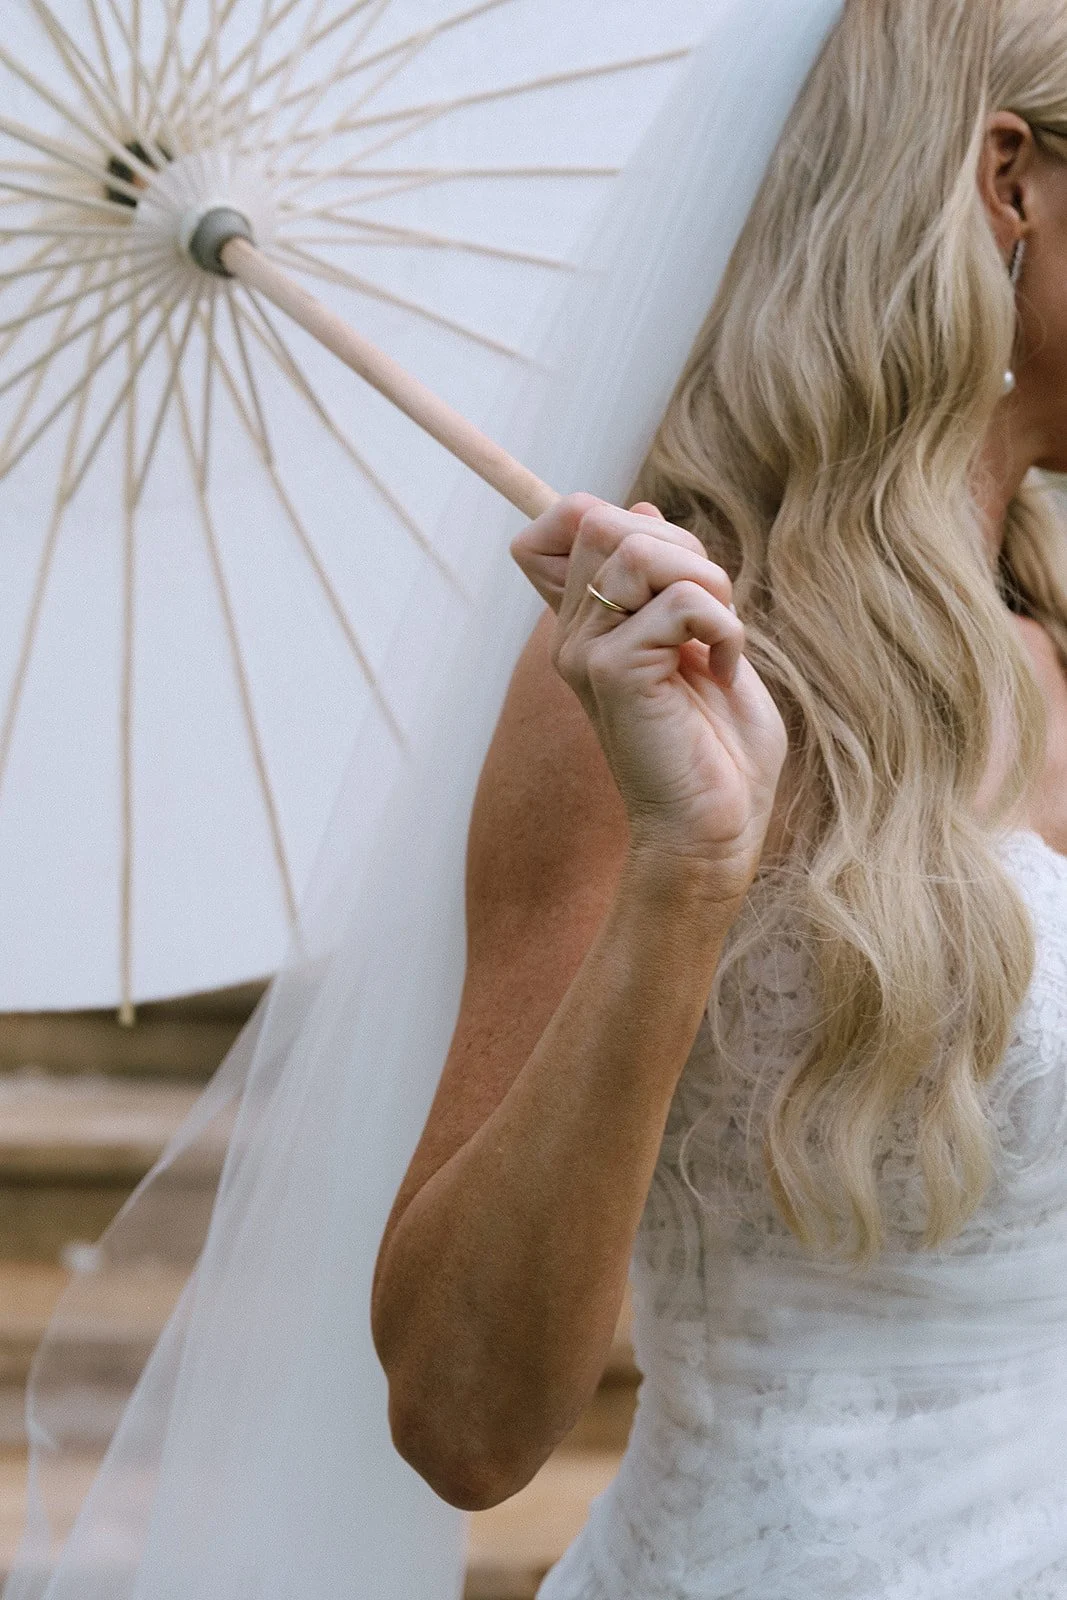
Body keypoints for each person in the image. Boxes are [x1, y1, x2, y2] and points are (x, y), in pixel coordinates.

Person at [370, 0, 1067, 1594]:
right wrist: (688, 869)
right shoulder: (663, 674)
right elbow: (462, 1423)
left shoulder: (1047, 634)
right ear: (1008, 185)